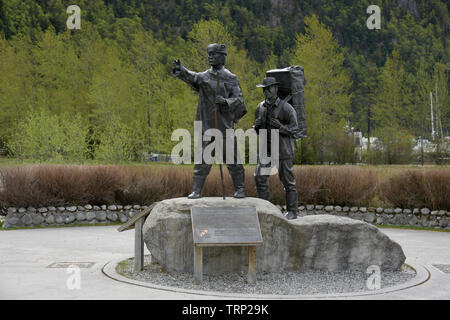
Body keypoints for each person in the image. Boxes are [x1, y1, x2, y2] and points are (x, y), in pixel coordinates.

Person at [172, 43, 247, 199]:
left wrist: (226, 102)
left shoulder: (231, 78)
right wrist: (181, 70)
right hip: (207, 127)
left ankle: (240, 189)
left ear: (222, 56)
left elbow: (239, 100)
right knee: (202, 161)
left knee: (233, 160)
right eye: (209, 54)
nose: (210, 57)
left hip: (224, 127)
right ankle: (197, 190)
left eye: (214, 54)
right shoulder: (205, 76)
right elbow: (192, 76)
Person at [253, 77, 299, 220]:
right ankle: (264, 209)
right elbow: (257, 130)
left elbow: (295, 129)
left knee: (288, 182)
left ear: (276, 89)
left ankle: (292, 211)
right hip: (266, 150)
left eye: (269, 88)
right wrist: (257, 126)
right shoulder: (260, 107)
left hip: (282, 151)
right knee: (260, 177)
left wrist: (281, 127)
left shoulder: (286, 107)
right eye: (264, 89)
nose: (266, 91)